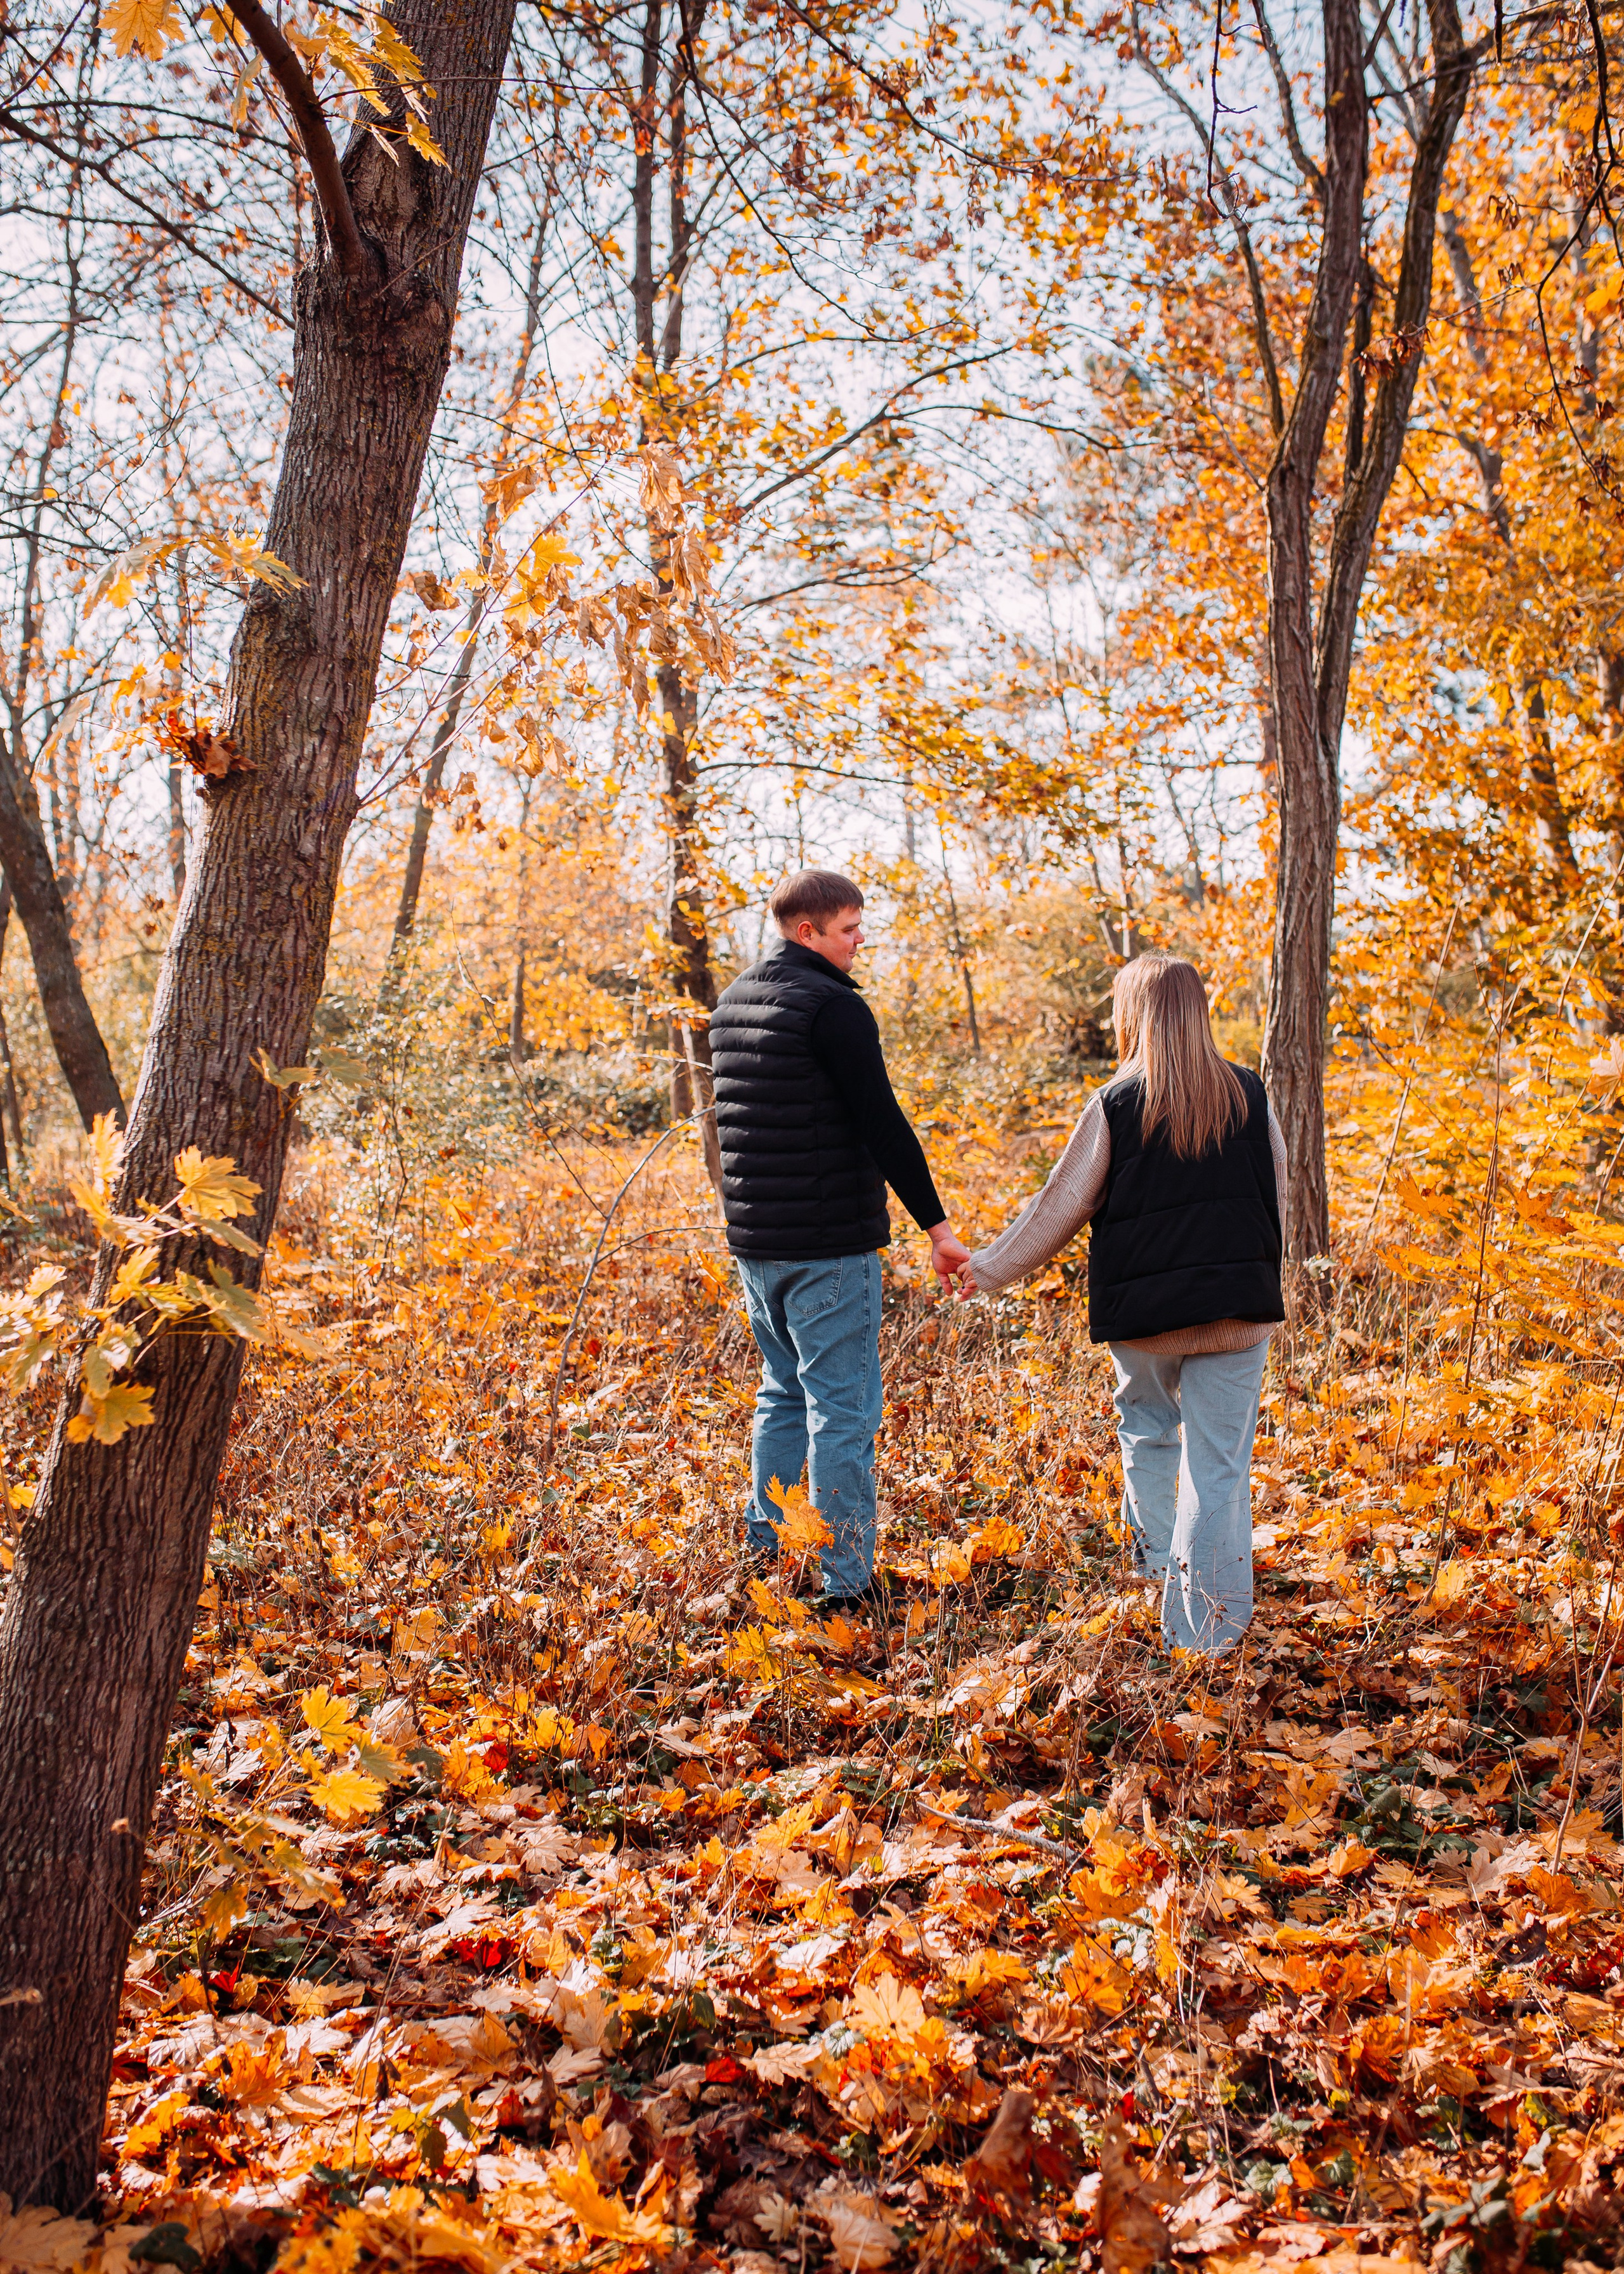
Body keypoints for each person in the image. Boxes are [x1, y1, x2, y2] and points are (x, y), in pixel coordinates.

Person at [962, 954, 1286, 1655]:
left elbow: (1059, 1207)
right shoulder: (1248, 1092)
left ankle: (1154, 1571)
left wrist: (986, 1269)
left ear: (1131, 1013)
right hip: (1237, 1309)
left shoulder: (1114, 1102)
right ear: (1197, 1010)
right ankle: (1205, 1635)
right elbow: (1278, 1192)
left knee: (1146, 1431)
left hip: (1145, 1317)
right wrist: (1262, 1274)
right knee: (1219, 1467)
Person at [708, 868, 972, 1612]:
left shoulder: (731, 1003)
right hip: (826, 1246)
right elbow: (881, 1123)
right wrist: (938, 1228)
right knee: (842, 1412)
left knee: (781, 1394)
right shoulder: (832, 1008)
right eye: (849, 929)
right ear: (807, 932)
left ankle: (768, 1550)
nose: (860, 941)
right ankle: (846, 1583)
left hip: (757, 1245)